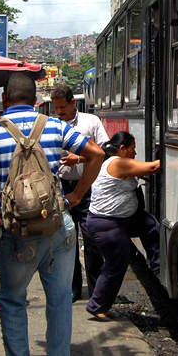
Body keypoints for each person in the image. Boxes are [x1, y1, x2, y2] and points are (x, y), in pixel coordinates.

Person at [0, 73, 104, 356]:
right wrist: (76, 196)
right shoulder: (54, 126)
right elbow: (96, 153)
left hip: (16, 230)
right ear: (36, 100)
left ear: (4, 99)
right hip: (57, 223)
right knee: (60, 299)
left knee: (12, 300)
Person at [85, 131, 160, 319]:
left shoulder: (115, 162)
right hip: (107, 225)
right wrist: (174, 155)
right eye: (132, 149)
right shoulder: (116, 162)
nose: (135, 153)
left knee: (149, 224)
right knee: (116, 264)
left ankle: (158, 265)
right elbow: (151, 168)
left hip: (121, 220)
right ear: (122, 149)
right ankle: (97, 307)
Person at [50, 85, 109, 302]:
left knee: (92, 240)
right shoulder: (53, 125)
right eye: (56, 108)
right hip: (62, 187)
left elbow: (105, 151)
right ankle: (73, 288)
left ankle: (95, 291)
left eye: (63, 107)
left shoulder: (91, 122)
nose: (59, 112)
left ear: (73, 102)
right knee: (67, 240)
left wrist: (81, 158)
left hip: (88, 187)